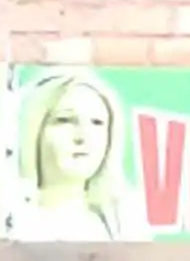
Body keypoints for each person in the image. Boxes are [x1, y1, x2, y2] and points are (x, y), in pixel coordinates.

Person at [8, 71, 137, 241]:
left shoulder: (126, 225)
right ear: (35, 130)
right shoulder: (7, 221)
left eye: (97, 123)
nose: (83, 136)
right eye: (64, 120)